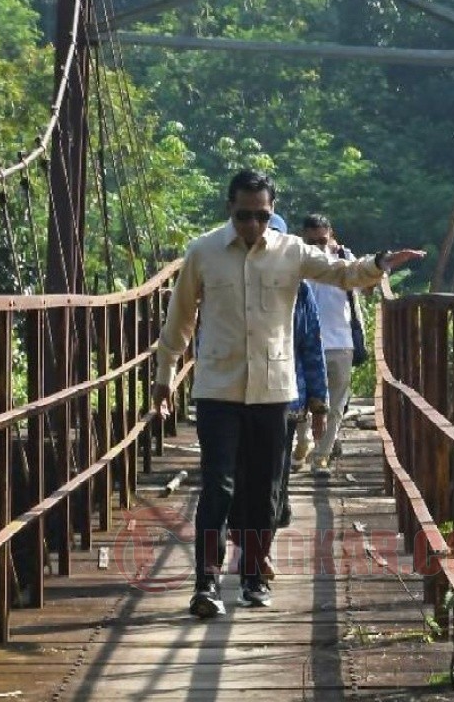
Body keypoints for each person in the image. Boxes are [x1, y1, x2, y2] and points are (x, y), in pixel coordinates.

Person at [152, 169, 425, 619]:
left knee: (265, 488)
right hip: (219, 388)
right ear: (229, 209)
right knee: (218, 485)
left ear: (272, 212)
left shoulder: (292, 251)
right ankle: (206, 582)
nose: (253, 226)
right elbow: (180, 317)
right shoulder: (203, 252)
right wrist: (165, 372)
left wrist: (381, 264)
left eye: (262, 216)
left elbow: (343, 274)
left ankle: (254, 576)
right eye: (244, 216)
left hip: (274, 390)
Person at [228, 216, 329, 583]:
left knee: (273, 483)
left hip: (284, 400)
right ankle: (244, 548)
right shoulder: (231, 284)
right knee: (240, 479)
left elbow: (311, 344)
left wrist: (318, 403)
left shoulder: (300, 290)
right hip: (235, 397)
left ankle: (260, 553)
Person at [301, 213, 367, 478]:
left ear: (331, 236)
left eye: (322, 240)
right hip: (305, 343)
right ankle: (305, 443)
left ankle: (321, 455)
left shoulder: (344, 261)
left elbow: (368, 283)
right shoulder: (296, 261)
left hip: (340, 341)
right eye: (312, 242)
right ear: (302, 240)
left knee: (336, 404)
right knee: (301, 402)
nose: (318, 247)